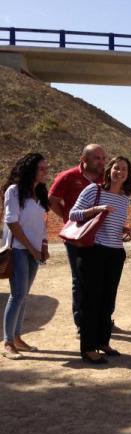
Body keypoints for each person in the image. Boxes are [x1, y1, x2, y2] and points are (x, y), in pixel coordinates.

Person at [69, 156, 131, 364]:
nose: (120, 172)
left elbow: (112, 223)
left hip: (115, 253)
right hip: (93, 251)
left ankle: (103, 342)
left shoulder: (124, 198)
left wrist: (125, 230)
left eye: (124, 169)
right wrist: (97, 209)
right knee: (91, 300)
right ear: (109, 170)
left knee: (108, 300)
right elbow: (73, 214)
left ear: (128, 174)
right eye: (116, 168)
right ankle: (88, 348)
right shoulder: (93, 190)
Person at [49, 144, 106, 333]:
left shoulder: (105, 178)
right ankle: (81, 322)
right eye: (97, 158)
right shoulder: (68, 176)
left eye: (103, 158)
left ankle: (100, 318)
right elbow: (53, 200)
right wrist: (67, 219)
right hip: (77, 237)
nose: (101, 162)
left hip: (100, 236)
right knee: (80, 279)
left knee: (100, 278)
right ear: (84, 160)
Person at [2, 153, 50, 359]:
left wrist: (44, 244)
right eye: (41, 168)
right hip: (20, 250)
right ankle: (7, 343)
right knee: (18, 294)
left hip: (34, 251)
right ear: (30, 169)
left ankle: (18, 337)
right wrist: (31, 248)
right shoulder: (14, 191)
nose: (45, 172)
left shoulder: (39, 192)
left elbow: (41, 222)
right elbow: (12, 222)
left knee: (24, 295)